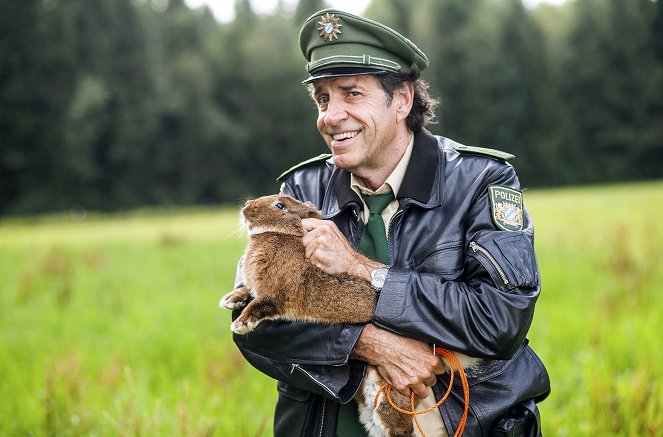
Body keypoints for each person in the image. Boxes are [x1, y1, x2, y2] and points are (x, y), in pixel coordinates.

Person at [229, 8, 550, 437]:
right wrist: (370, 345)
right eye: (323, 99)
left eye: (351, 94)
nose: (330, 115)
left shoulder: (481, 181)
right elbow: (250, 323)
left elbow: (500, 320)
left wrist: (365, 270)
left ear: (402, 100)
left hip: (459, 423)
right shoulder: (299, 190)